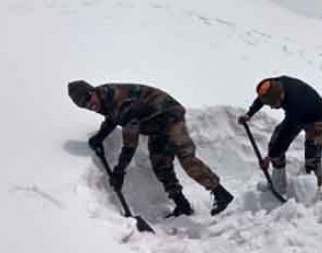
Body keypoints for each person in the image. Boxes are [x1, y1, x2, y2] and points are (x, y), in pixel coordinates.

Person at [68, 81, 233, 217]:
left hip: (169, 115)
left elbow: (130, 143)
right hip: (153, 123)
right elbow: (112, 118)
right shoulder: (104, 100)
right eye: (85, 106)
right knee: (161, 165)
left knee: (186, 157)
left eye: (89, 99)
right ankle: (182, 205)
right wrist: (99, 137)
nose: (90, 105)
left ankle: (221, 194)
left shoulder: (121, 101)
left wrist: (120, 171)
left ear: (93, 90)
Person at [238, 76, 322, 193]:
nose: (271, 107)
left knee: (312, 156)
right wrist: (249, 114)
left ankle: (312, 190)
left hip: (316, 117)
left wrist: (269, 156)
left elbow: (285, 136)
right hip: (298, 114)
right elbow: (262, 99)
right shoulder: (274, 86)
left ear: (280, 96)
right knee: (275, 146)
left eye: (273, 105)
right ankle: (278, 185)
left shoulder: (295, 104)